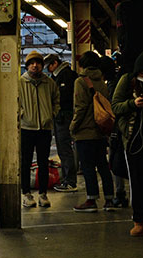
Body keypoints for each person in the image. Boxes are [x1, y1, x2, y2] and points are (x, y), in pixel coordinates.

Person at [70, 51, 116, 212]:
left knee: (88, 166)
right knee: (103, 165)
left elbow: (80, 108)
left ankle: (91, 200)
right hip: (100, 130)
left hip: (85, 132)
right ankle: (109, 200)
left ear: (82, 64)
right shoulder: (102, 82)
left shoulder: (81, 81)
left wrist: (73, 127)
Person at [19, 51, 60, 208]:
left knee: (44, 162)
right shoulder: (20, 82)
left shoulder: (49, 83)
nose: (34, 65)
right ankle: (26, 194)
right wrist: (22, 115)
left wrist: (52, 114)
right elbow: (14, 102)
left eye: (38, 63)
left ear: (42, 66)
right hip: (26, 128)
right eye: (31, 63)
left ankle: (43, 194)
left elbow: (57, 100)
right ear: (27, 66)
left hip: (44, 128)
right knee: (26, 161)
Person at [112, 50, 143, 235]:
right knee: (137, 182)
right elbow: (115, 106)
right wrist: (134, 104)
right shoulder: (127, 80)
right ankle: (139, 221)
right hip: (133, 139)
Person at [44, 53, 79, 192]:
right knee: (65, 149)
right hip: (61, 118)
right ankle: (67, 179)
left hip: (65, 117)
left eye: (49, 67)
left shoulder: (66, 75)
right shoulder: (58, 76)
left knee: (65, 149)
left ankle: (69, 181)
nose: (48, 70)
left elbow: (64, 98)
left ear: (55, 63)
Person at [101, 55, 129, 208]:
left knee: (116, 159)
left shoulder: (113, 83)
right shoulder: (124, 79)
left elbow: (114, 106)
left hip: (118, 128)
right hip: (124, 126)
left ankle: (120, 193)